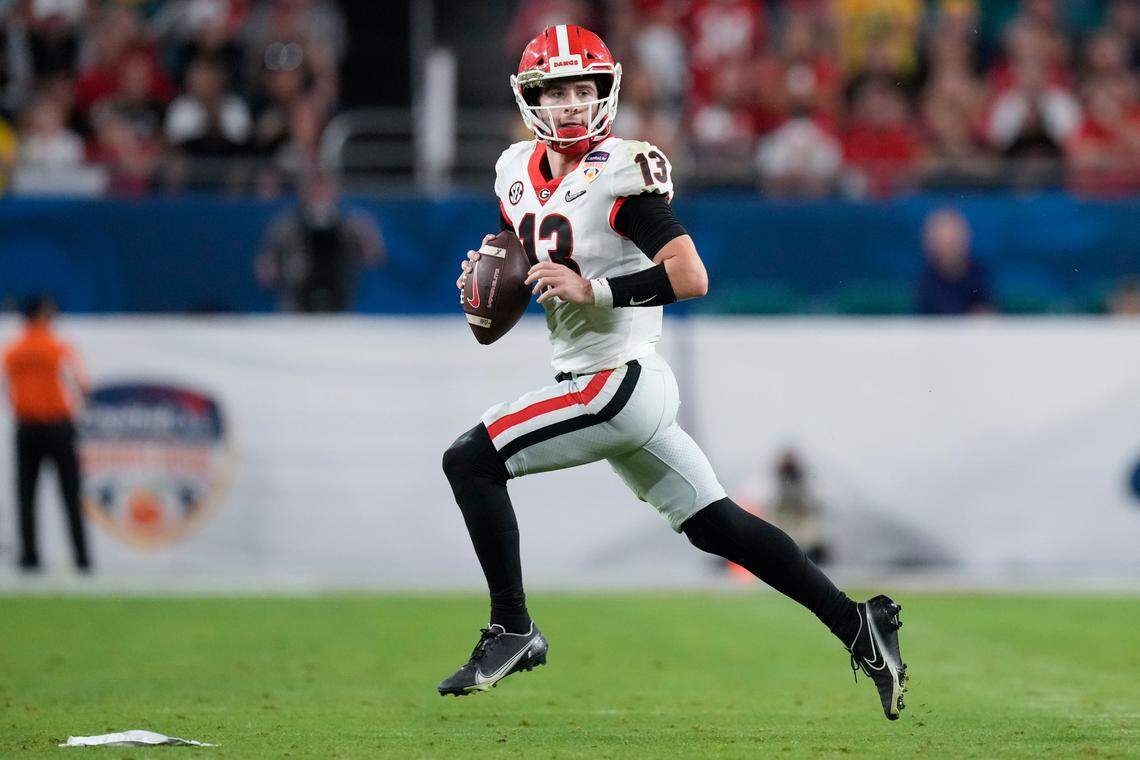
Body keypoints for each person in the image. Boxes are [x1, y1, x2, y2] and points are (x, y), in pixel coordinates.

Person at [438, 25, 908, 721]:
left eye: (583, 88)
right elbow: (528, 251)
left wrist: (594, 291)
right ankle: (858, 624)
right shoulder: (514, 169)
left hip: (615, 381)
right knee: (718, 526)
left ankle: (512, 627)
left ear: (605, 92)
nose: (571, 103)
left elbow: (691, 275)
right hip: (611, 384)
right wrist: (487, 277)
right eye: (556, 92)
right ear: (531, 99)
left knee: (470, 460)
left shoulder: (621, 171)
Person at [2, 295, 91, 572]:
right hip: (58, 427)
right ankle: (81, 559)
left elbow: (7, 388)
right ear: (42, 315)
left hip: (26, 427)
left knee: (26, 495)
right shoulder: (58, 347)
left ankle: (30, 558)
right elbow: (81, 385)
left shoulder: (12, 351)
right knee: (70, 494)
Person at [255, 171, 385, 312]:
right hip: (298, 293)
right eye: (315, 190)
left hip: (339, 292)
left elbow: (374, 256)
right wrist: (269, 265)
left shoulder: (353, 222)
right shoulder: (287, 223)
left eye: (324, 189)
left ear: (335, 191)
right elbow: (269, 256)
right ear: (304, 192)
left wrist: (367, 238)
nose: (319, 194)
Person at [915, 208, 996, 315]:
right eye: (944, 240)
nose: (949, 245)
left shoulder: (979, 272)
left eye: (953, 238)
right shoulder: (924, 279)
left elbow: (988, 310)